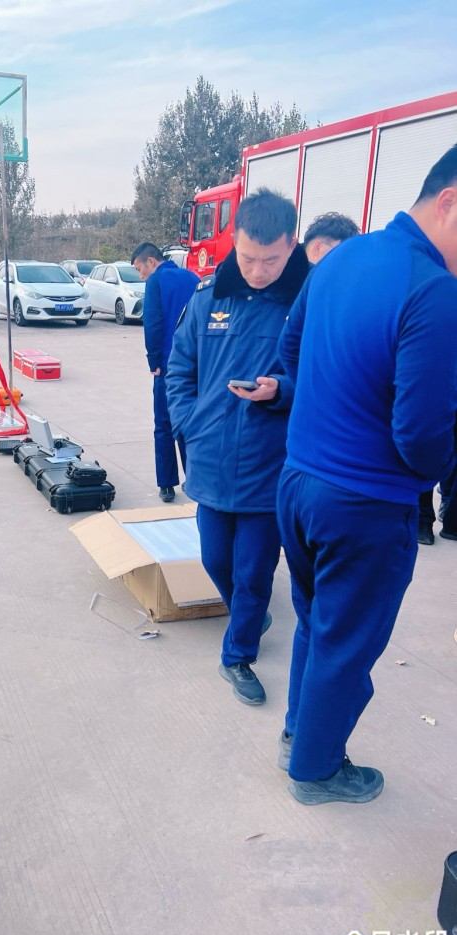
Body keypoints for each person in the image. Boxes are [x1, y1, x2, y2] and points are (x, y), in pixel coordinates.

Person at [277, 144, 457, 806]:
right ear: (450, 202)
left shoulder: (343, 257)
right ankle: (316, 770)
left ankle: (299, 734)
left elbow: (290, 349)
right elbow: (421, 437)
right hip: (364, 504)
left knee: (317, 624)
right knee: (346, 643)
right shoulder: (434, 289)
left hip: (299, 485)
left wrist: (330, 413)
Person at [166, 189, 309, 705]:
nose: (257, 270)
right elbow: (179, 370)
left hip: (270, 464)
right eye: (248, 258)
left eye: (270, 260)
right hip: (210, 458)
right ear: (235, 243)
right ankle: (251, 615)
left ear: (291, 245)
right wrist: (189, 425)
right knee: (215, 559)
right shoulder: (208, 298)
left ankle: (238, 654)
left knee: (252, 572)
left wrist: (281, 390)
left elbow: (324, 378)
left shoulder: (306, 303)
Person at [131, 242, 199, 502]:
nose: (141, 275)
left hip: (168, 365)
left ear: (151, 261)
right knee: (190, 422)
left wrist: (154, 361)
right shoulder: (192, 277)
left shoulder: (155, 282)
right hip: (194, 364)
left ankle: (167, 485)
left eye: (140, 269)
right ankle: (194, 479)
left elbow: (153, 323)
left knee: (164, 424)